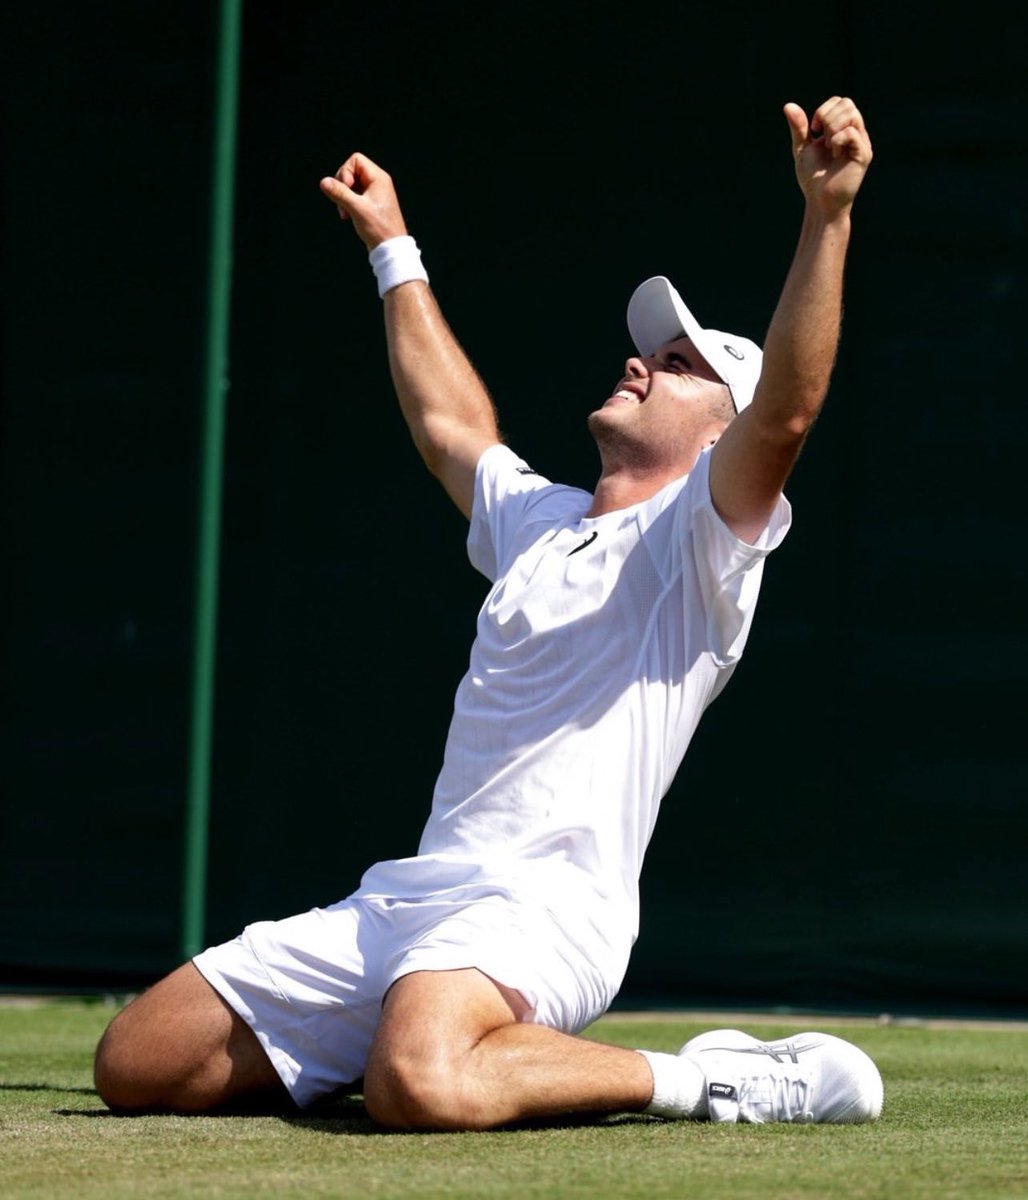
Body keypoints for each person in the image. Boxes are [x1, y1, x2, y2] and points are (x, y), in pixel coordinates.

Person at [94, 96, 881, 1129]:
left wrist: (826, 214)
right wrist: (391, 247)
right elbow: (444, 422)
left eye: (680, 364)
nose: (641, 361)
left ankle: (715, 1080)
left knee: (417, 1086)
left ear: (714, 438)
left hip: (543, 914)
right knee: (140, 1063)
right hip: (407, 901)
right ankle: (441, 1042)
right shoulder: (537, 523)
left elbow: (784, 407)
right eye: (653, 350)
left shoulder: (702, 542)